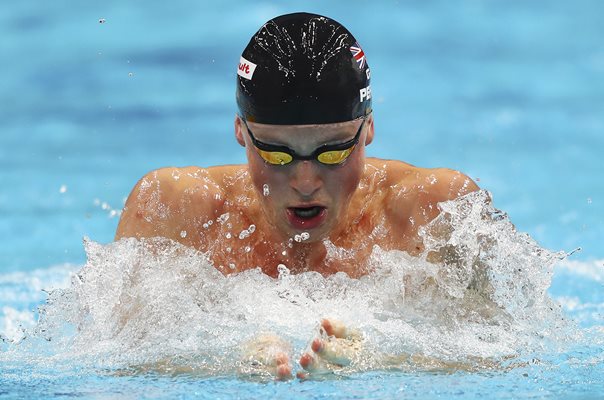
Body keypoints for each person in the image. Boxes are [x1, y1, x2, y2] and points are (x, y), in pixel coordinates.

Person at [115, 12, 479, 380]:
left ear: (368, 127)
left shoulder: (436, 211)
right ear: (240, 131)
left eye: (333, 151)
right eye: (276, 153)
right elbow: (117, 362)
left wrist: (381, 359)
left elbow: (507, 354)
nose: (305, 182)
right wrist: (222, 362)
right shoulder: (175, 210)